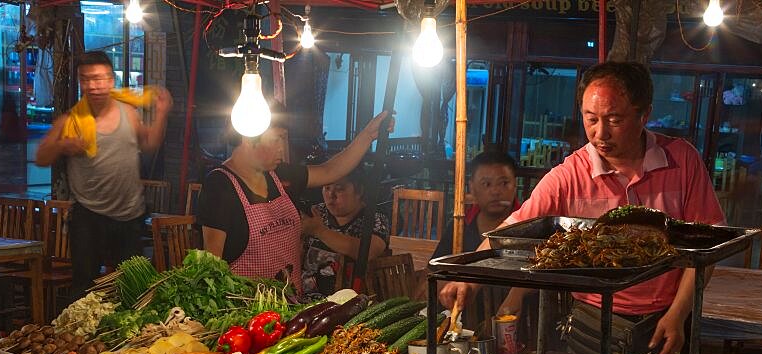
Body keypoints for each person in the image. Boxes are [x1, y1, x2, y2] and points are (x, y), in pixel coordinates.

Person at [440, 61, 725, 354]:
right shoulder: (569, 175)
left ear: (645, 114)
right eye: (591, 119)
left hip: (668, 319)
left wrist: (678, 315)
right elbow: (507, 234)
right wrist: (468, 280)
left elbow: (705, 249)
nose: (600, 133)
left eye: (614, 119)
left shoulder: (682, 161)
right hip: (592, 322)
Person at [198, 108, 392, 291]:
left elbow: (330, 170)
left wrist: (368, 135)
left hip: (290, 307)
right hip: (246, 313)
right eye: (277, 139)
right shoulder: (220, 186)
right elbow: (212, 265)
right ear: (249, 138)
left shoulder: (279, 174)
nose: (282, 149)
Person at [36, 50, 172, 298]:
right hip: (89, 215)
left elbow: (150, 144)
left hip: (130, 214)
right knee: (84, 286)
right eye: (85, 79)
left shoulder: (128, 113)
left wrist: (162, 113)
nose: (93, 86)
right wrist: (61, 146)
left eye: (98, 78)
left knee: (132, 287)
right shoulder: (71, 120)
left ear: (111, 80)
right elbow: (41, 157)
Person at [433, 151, 520, 332]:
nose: (495, 191)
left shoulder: (529, 227)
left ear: (515, 184)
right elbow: (436, 273)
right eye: (486, 184)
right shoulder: (459, 227)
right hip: (466, 327)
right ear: (472, 188)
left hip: (518, 329)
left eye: (504, 183)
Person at [300, 166, 390, 296]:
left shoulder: (374, 217)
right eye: (327, 188)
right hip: (304, 297)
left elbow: (370, 251)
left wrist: (319, 231)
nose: (331, 195)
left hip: (350, 299)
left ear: (359, 191)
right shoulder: (316, 213)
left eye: (339, 189)